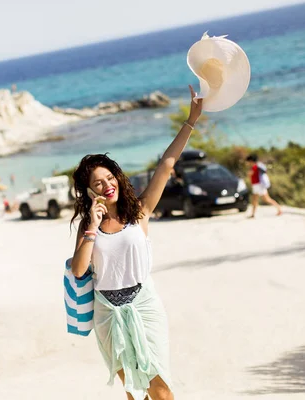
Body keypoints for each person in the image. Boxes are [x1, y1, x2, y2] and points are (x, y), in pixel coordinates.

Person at [69, 85, 203, 400]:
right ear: (89, 191)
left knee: (161, 391)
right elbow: (78, 270)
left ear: (118, 177)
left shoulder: (140, 211)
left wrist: (192, 119)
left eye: (110, 177)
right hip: (107, 313)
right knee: (134, 393)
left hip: (143, 304)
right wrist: (93, 223)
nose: (107, 185)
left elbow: (167, 164)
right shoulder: (88, 225)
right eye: (97, 182)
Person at [246, 154, 282, 218]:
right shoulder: (257, 166)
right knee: (255, 200)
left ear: (251, 161)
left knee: (266, 199)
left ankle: (279, 208)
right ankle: (253, 214)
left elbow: (250, 174)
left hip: (258, 185)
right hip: (257, 185)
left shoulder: (254, 167)